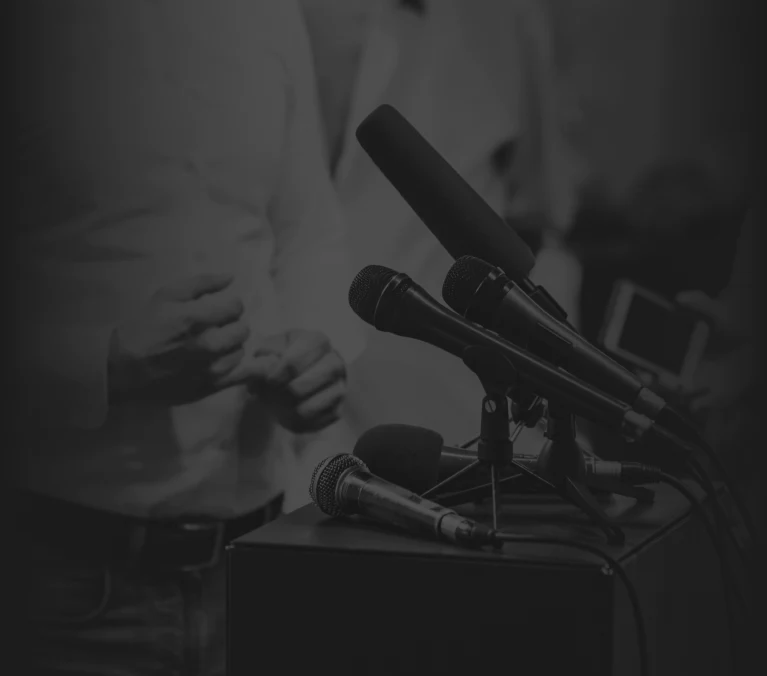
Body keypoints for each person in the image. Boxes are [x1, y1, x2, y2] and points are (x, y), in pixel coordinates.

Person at [14, 1, 363, 674]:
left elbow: (307, 234)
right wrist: (106, 365)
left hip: (260, 564)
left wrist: (316, 349)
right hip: (62, 584)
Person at [288, 0, 585, 502]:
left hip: (460, 449)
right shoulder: (237, 20)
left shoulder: (502, 16)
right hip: (271, 460)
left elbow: (538, 217)